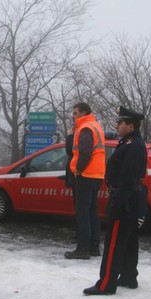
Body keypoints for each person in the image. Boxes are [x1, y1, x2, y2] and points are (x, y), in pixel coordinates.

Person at [83, 106, 147, 295]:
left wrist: (117, 203)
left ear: (131, 125)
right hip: (130, 198)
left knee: (114, 243)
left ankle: (106, 284)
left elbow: (127, 178)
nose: (117, 126)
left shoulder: (133, 145)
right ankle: (128, 277)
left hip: (124, 199)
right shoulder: (131, 142)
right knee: (128, 241)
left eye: (120, 123)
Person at [64, 102, 106, 260]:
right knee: (92, 211)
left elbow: (86, 152)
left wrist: (79, 170)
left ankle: (82, 249)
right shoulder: (95, 126)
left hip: (86, 175)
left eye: (75, 113)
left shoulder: (85, 128)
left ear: (83, 112)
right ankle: (94, 247)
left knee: (83, 213)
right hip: (96, 175)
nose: (73, 116)